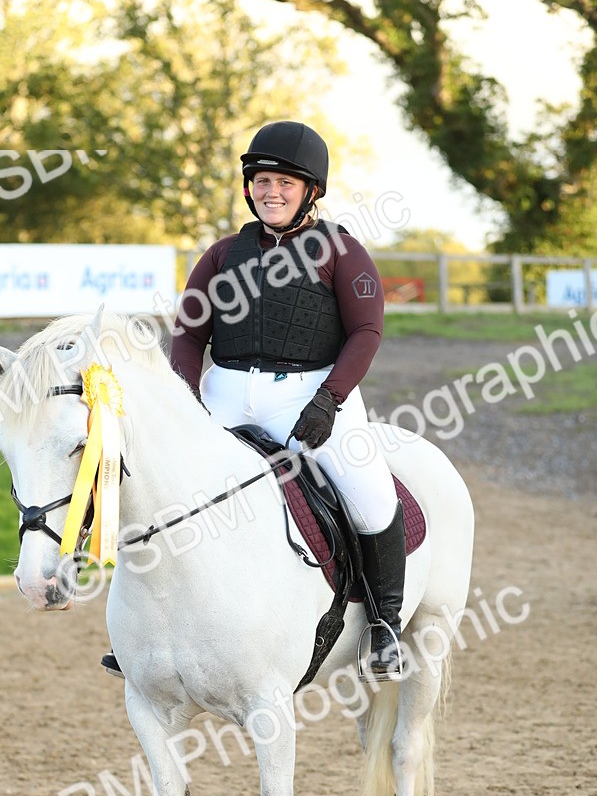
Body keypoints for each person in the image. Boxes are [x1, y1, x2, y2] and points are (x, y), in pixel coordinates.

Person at [103, 120, 405, 681]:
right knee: (159, 486)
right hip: (227, 390)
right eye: (263, 180)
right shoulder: (221, 255)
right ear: (249, 187)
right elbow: (190, 335)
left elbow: (367, 332)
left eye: (285, 183)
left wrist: (329, 400)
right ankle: (138, 630)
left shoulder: (342, 250)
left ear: (310, 190)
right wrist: (185, 402)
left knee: (367, 489)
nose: (272, 191)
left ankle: (385, 624)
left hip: (311, 391)